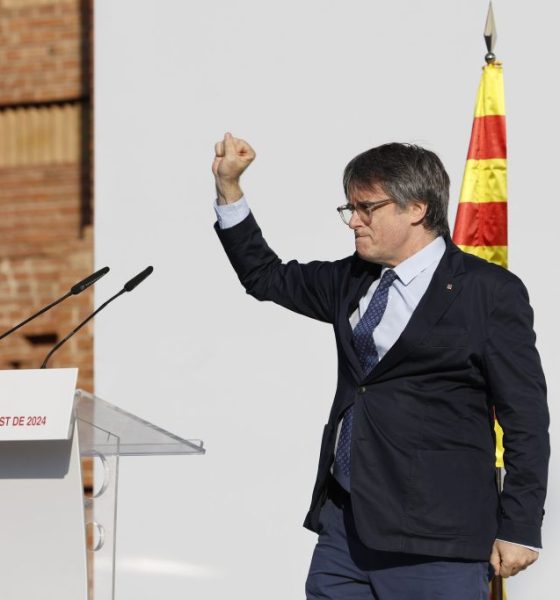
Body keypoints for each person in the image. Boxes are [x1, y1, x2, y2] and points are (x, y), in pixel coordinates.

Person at [212, 132, 549, 600]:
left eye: (366, 208)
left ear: (416, 209)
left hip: (437, 542)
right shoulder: (350, 279)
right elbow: (265, 276)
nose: (353, 222)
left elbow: (525, 417)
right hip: (344, 534)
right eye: (349, 208)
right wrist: (229, 188)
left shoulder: (486, 292)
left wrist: (521, 524)